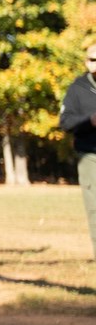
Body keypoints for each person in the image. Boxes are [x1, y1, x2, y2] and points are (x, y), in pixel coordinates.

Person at [61, 42, 96, 260]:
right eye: (93, 59)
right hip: (90, 155)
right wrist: (90, 121)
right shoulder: (78, 88)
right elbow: (66, 122)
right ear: (86, 61)